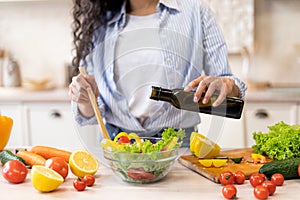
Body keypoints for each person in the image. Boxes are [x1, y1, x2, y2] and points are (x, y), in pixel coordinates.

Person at [68, 0, 247, 147]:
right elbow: (91, 110)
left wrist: (226, 85)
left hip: (178, 145)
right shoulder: (99, 21)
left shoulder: (196, 12)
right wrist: (85, 99)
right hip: (116, 146)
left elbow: (229, 87)